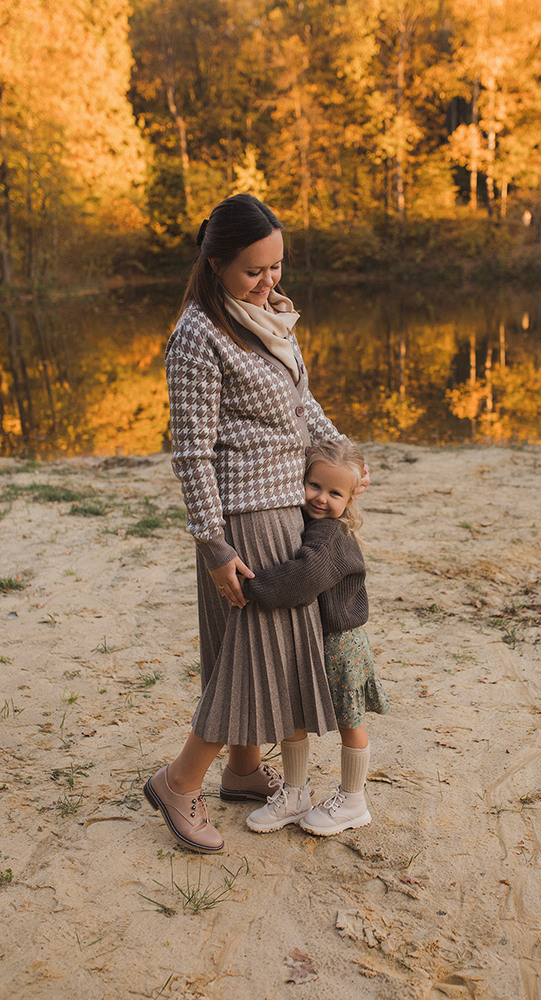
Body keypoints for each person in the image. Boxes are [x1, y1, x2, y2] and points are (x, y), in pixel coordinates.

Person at [143, 193, 365, 854]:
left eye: (276, 266)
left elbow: (300, 406)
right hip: (242, 519)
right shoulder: (197, 336)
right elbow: (191, 452)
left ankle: (242, 772)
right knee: (252, 658)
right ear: (215, 264)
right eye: (253, 270)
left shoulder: (264, 317)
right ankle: (179, 783)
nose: (269, 281)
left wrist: (345, 458)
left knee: (233, 648)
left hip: (283, 505)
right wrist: (213, 545)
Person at [242, 439, 389, 836]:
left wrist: (248, 588)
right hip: (309, 640)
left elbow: (300, 580)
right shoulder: (306, 524)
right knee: (292, 712)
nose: (322, 498)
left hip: (341, 643)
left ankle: (353, 801)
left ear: (352, 497)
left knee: (349, 719)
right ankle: (295, 793)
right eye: (314, 485)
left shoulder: (329, 536)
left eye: (335, 492)